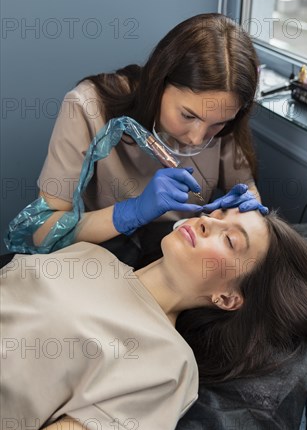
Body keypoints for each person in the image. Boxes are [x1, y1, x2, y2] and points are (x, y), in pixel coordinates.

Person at [0, 207, 307, 430]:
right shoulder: (91, 255)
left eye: (230, 239)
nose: (208, 221)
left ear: (227, 297)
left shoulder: (167, 365)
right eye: (219, 213)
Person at [7, 13, 264, 262]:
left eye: (218, 124)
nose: (198, 139)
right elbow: (40, 232)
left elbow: (246, 189)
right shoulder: (87, 107)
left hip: (173, 258)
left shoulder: (224, 119)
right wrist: (130, 212)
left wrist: (245, 211)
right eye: (188, 116)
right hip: (98, 258)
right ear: (158, 82)